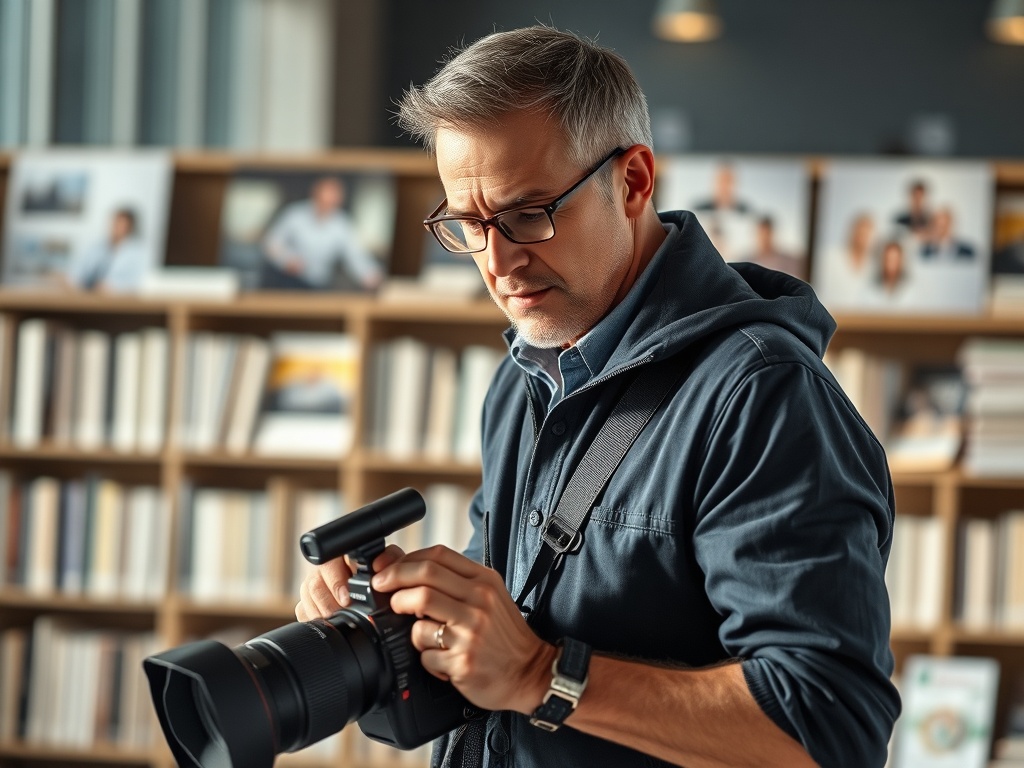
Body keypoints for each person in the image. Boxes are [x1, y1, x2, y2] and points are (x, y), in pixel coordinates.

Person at [296, 25, 899, 768]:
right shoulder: (525, 373)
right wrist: (397, 623)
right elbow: (517, 636)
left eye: (526, 214)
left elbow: (831, 727)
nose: (499, 263)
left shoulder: (762, 397)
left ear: (634, 180)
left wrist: (539, 675)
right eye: (468, 225)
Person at [261, 176, 384, 291]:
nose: (327, 203)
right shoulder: (294, 214)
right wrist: (286, 260)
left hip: (317, 286)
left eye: (333, 199)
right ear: (315, 194)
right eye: (325, 197)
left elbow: (355, 256)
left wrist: (371, 275)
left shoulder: (341, 224)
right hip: (285, 281)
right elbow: (272, 242)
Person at [64, 206, 150, 292]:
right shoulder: (96, 247)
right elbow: (80, 271)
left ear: (129, 227)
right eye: (114, 222)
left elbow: (137, 282)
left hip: (118, 301)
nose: (115, 227)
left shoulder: (137, 252)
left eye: (120, 224)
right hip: (89, 295)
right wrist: (71, 280)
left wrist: (113, 287)